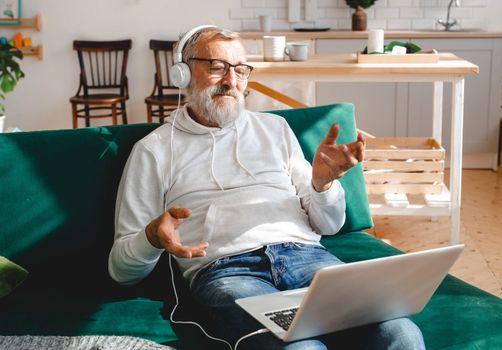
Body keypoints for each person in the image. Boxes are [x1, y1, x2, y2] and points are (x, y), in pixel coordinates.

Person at [108, 26, 425, 350]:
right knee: (301, 348)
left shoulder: (275, 128)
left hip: (309, 258)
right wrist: (151, 237)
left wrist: (322, 184)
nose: (232, 81)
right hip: (227, 272)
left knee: (402, 334)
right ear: (182, 74)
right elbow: (121, 270)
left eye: (241, 70)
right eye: (217, 68)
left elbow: (330, 225)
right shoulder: (154, 150)